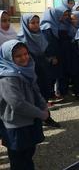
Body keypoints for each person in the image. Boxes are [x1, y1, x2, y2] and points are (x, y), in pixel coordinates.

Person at [0, 40, 49, 170]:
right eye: (18, 56)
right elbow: (17, 103)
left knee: (28, 152)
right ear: (8, 57)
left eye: (26, 53)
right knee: (18, 157)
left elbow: (35, 90)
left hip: (29, 119)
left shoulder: (26, 70)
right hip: (16, 124)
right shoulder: (7, 77)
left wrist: (43, 105)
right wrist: (41, 114)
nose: (24, 58)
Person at [17, 14, 61, 128]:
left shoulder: (40, 35)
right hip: (30, 73)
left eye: (37, 22)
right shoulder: (21, 40)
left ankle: (46, 117)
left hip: (43, 69)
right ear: (26, 24)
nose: (36, 25)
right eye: (33, 23)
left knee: (44, 95)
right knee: (33, 97)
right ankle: (35, 122)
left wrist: (49, 58)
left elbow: (45, 52)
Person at [40, 6, 70, 102]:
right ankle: (48, 97)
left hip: (56, 55)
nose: (64, 17)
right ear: (56, 14)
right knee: (50, 77)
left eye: (66, 15)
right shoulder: (47, 27)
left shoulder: (55, 24)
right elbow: (48, 44)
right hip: (50, 57)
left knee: (54, 76)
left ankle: (52, 95)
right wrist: (52, 57)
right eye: (63, 15)